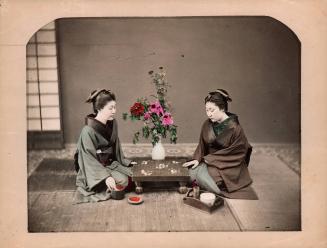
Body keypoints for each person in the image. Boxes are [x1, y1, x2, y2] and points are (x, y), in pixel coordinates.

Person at [183, 89, 256, 199]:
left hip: (227, 165)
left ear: (222, 108)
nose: (209, 114)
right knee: (188, 170)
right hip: (209, 159)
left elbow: (238, 152)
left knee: (199, 176)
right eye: (207, 110)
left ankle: (210, 180)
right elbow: (202, 145)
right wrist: (197, 158)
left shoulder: (235, 128)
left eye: (212, 110)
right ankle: (203, 174)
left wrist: (209, 159)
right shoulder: (207, 124)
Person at [74, 89, 132, 203]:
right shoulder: (87, 131)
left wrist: (124, 162)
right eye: (110, 108)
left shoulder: (112, 123)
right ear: (99, 108)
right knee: (123, 181)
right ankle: (102, 183)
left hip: (110, 163)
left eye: (115, 107)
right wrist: (106, 177)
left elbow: (116, 147)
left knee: (132, 176)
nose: (114, 111)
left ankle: (113, 180)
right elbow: (88, 158)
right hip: (94, 168)